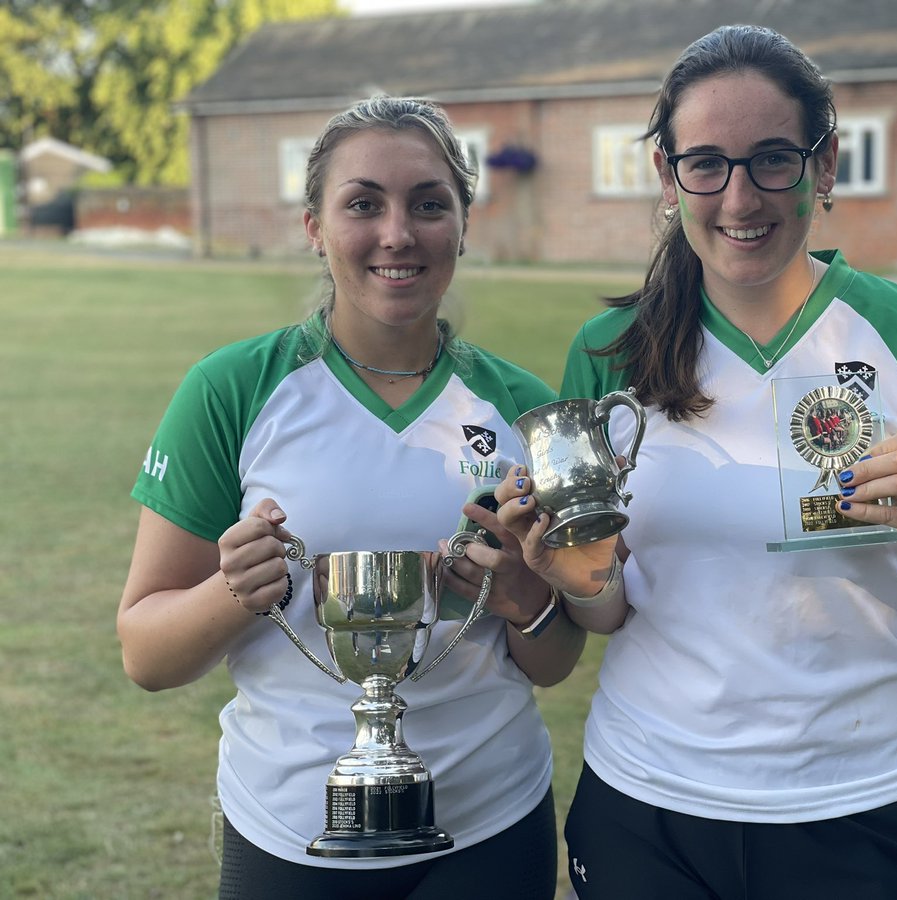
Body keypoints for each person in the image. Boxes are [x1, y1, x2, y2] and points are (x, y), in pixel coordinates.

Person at [495, 25, 897, 899]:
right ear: (666, 175)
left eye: (773, 160)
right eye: (706, 162)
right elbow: (606, 617)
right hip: (650, 806)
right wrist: (575, 575)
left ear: (823, 168)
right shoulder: (607, 354)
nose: (740, 196)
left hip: (862, 803)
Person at [117, 95, 584, 900]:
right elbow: (146, 656)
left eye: (429, 204)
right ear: (314, 228)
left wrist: (524, 601)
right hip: (287, 831)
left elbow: (554, 663)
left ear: (463, 226)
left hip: (487, 829)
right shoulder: (233, 390)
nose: (397, 233)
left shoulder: (522, 408)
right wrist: (235, 592)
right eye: (363, 203)